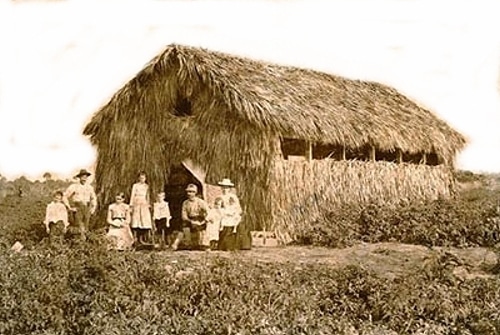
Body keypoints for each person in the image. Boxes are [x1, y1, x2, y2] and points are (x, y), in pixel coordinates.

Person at [63, 169, 97, 241]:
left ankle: (85, 245)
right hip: (78, 207)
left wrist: (93, 208)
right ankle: (79, 243)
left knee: (86, 226)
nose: (84, 178)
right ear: (79, 177)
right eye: (82, 176)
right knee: (79, 226)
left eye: (86, 176)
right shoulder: (74, 186)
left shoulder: (89, 187)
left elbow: (93, 198)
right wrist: (69, 207)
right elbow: (65, 196)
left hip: (87, 207)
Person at [172, 184, 208, 250]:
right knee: (183, 227)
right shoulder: (185, 203)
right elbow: (184, 215)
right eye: (189, 192)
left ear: (195, 193)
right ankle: (176, 244)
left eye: (192, 192)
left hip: (200, 219)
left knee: (201, 230)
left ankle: (202, 244)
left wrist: (204, 220)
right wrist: (191, 221)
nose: (190, 194)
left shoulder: (200, 202)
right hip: (189, 219)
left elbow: (208, 212)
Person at [129, 171, 153, 244]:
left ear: (145, 178)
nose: (142, 179)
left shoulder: (146, 186)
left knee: (144, 220)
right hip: (136, 202)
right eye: (141, 178)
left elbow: (147, 196)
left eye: (143, 178)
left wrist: (148, 204)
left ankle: (142, 238)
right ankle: (135, 238)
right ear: (139, 178)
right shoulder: (135, 185)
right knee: (136, 220)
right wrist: (131, 204)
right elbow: (132, 195)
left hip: (144, 203)